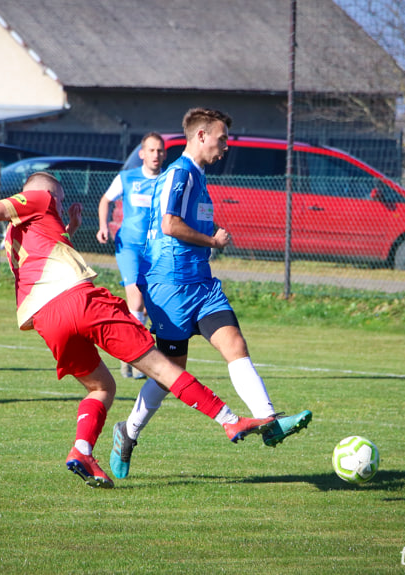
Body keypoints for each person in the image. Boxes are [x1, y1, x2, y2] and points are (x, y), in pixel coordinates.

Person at [0, 171, 277, 488]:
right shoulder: (42, 197)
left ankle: (82, 451)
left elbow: (42, 251)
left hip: (45, 320)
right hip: (78, 300)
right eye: (60, 199)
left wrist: (70, 228)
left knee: (102, 388)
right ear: (49, 194)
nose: (59, 203)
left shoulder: (17, 233)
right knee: (164, 368)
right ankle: (231, 421)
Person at [110, 108, 312, 479]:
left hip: (202, 286)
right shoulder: (180, 173)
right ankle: (128, 431)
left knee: (235, 344)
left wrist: (207, 240)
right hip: (169, 287)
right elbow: (170, 225)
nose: (225, 147)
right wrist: (212, 239)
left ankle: (270, 421)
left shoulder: (200, 178)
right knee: (171, 375)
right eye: (222, 139)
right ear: (201, 136)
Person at [96, 132, 165, 379]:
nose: (156, 155)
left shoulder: (168, 180)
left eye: (160, 151)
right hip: (130, 246)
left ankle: (129, 351)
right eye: (152, 150)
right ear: (142, 153)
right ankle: (137, 358)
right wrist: (103, 226)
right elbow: (105, 200)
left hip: (158, 248)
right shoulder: (127, 178)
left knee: (149, 303)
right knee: (136, 301)